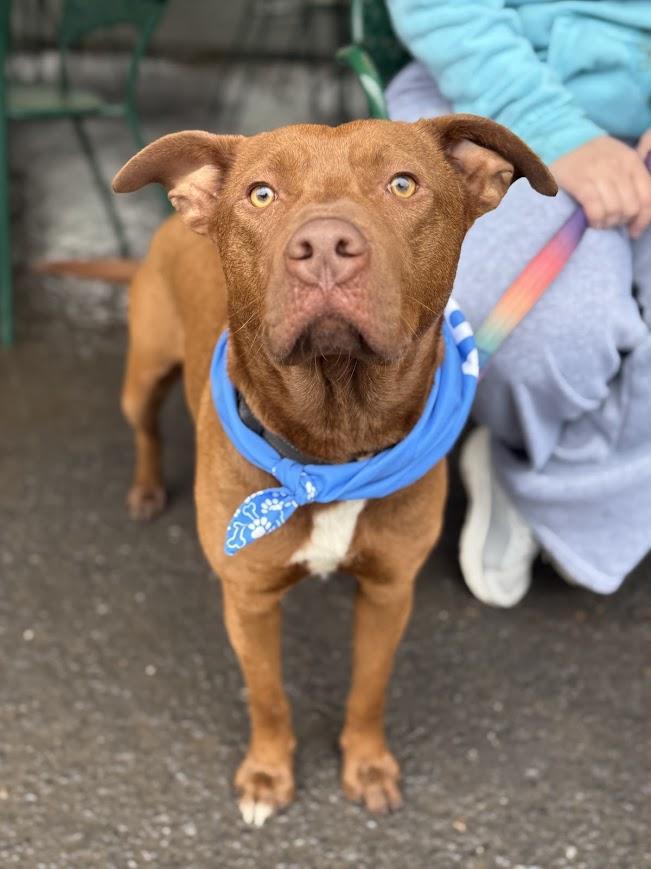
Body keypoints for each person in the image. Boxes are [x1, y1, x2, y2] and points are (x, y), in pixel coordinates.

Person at [385, 0, 651, 605]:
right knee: (535, 336)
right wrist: (555, 130)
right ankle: (558, 467)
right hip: (490, 85)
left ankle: (542, 479)